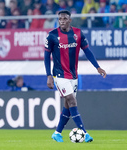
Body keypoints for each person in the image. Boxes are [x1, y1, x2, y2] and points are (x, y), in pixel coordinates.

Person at [44, 10, 106, 143]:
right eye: (60, 18)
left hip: (73, 75)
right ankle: (84, 133)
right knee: (72, 100)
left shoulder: (78, 33)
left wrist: (97, 67)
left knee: (67, 105)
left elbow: (87, 51)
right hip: (60, 75)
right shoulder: (52, 35)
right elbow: (46, 56)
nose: (62, 21)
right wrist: (49, 75)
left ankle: (57, 133)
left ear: (70, 20)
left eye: (65, 18)